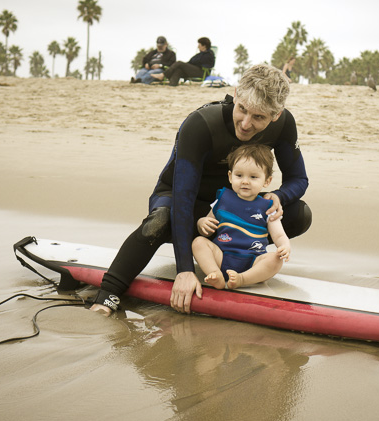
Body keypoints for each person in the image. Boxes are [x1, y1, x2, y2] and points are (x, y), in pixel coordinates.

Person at [90, 64, 311, 315]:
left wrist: (278, 196)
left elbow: (299, 179)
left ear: (276, 114)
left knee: (299, 214)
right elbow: (183, 197)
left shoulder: (283, 124)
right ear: (236, 94)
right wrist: (184, 270)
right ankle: (108, 294)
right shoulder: (202, 124)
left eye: (259, 117)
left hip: (234, 205)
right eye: (242, 110)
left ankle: (239, 256)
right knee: (160, 220)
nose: (246, 124)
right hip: (183, 199)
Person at [193, 144, 291, 290]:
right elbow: (206, 230)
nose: (245, 181)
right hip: (222, 257)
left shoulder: (268, 207)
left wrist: (284, 246)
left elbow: (278, 235)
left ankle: (242, 279)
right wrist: (202, 223)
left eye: (253, 177)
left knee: (275, 259)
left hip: (254, 261)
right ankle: (215, 274)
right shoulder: (222, 199)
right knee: (198, 242)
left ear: (267, 181)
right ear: (230, 176)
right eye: (239, 175)